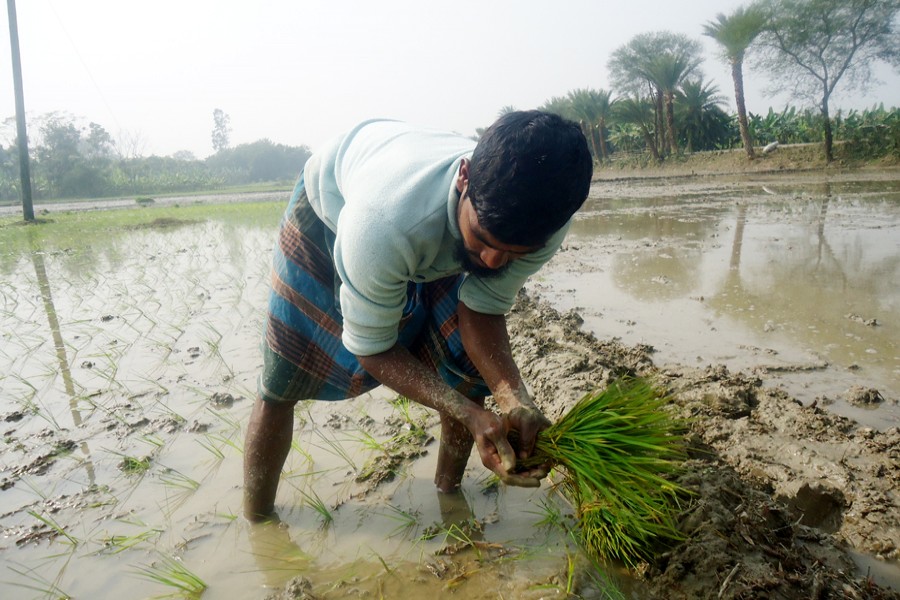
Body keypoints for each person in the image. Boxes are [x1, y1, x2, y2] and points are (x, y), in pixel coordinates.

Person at [243, 110, 593, 521]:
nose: (493, 262)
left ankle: (450, 496)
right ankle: (258, 520)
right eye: (482, 240)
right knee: (282, 380)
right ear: (464, 178)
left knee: (467, 367)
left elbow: (482, 310)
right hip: (333, 210)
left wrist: (512, 398)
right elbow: (371, 347)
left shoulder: (542, 221)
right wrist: (467, 412)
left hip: (425, 227)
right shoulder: (379, 224)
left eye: (515, 254)